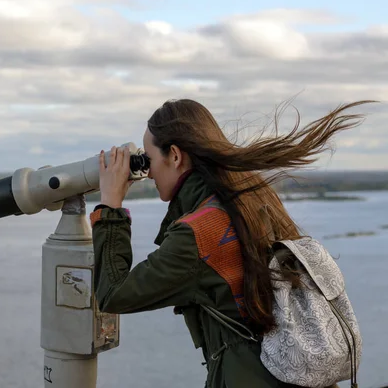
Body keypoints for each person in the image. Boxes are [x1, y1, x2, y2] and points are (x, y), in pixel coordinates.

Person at [90, 99, 374, 388]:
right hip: (294, 375)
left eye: (148, 159)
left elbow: (113, 294)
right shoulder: (252, 196)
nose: (147, 172)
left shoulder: (199, 233)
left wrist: (110, 206)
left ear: (174, 155)